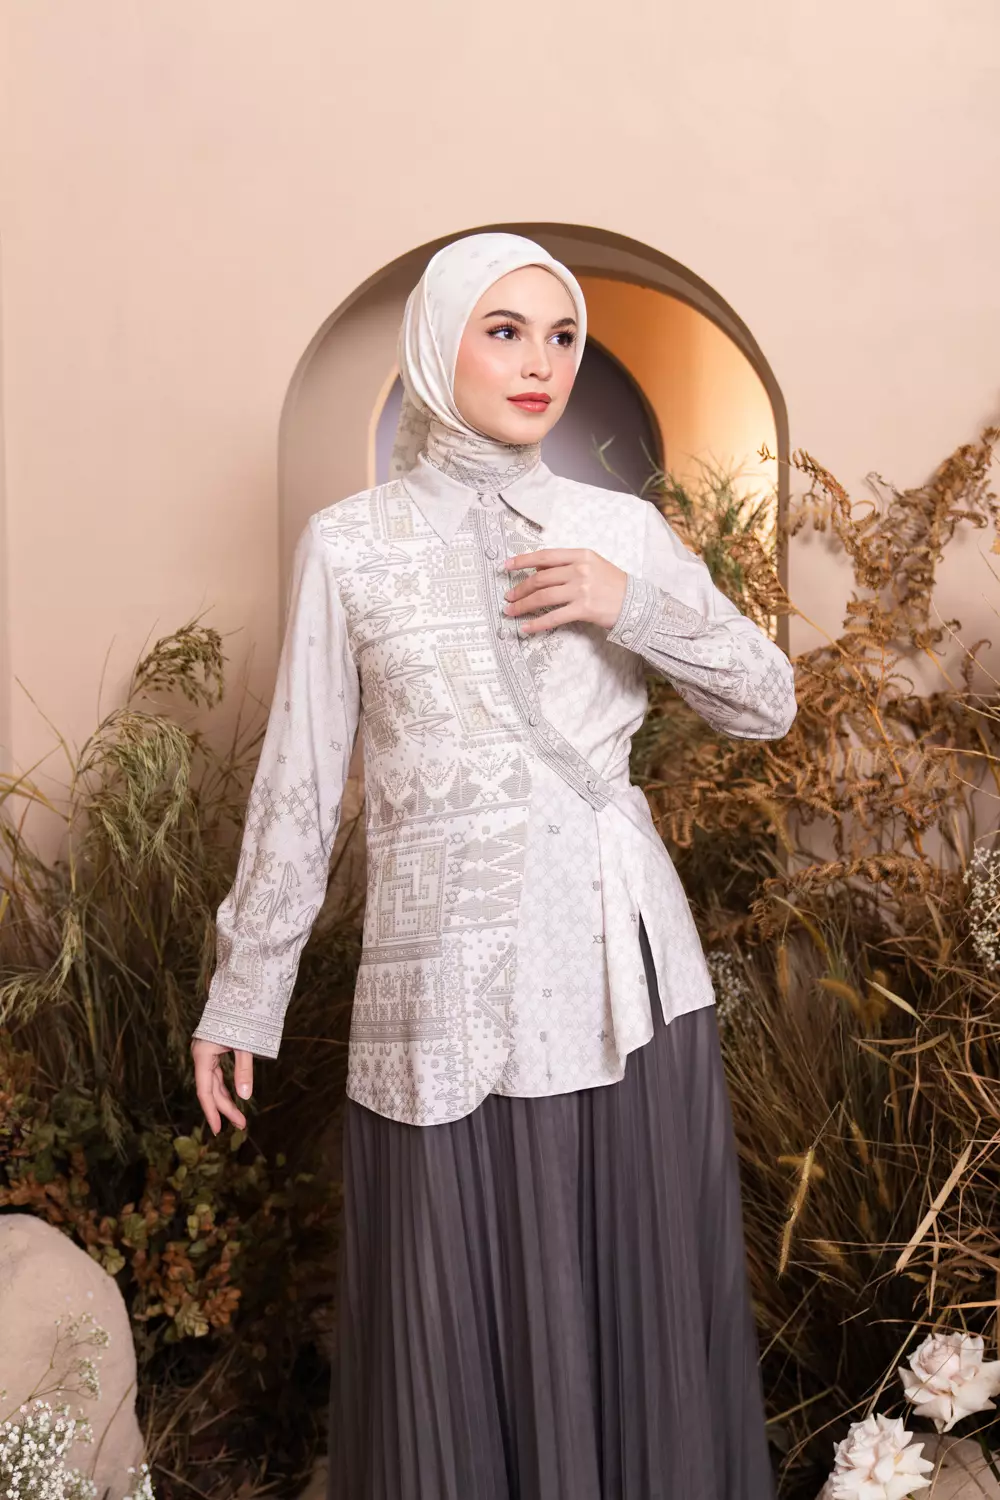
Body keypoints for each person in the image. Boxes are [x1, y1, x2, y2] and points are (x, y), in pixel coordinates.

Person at [190, 230, 797, 1500]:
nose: (541, 364)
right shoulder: (351, 545)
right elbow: (302, 780)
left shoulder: (617, 528)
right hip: (438, 995)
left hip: (617, 982)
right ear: (438, 344)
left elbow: (766, 700)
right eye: (505, 331)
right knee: (446, 1329)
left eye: (562, 335)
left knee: (631, 1315)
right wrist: (244, 993)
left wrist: (628, 601)